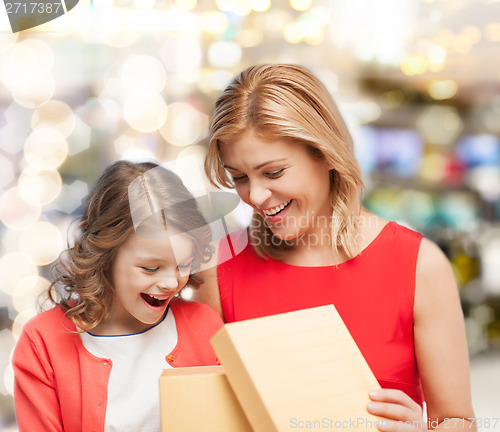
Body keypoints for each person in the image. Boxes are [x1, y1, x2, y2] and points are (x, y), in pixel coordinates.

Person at [198, 64, 476, 430]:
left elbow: (458, 421)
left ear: (325, 152)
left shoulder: (418, 265)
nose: (256, 196)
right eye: (239, 178)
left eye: (274, 172)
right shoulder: (219, 269)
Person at [12, 161, 224, 432]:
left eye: (184, 264)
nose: (172, 282)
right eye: (150, 267)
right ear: (105, 258)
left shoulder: (205, 328)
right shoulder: (43, 342)